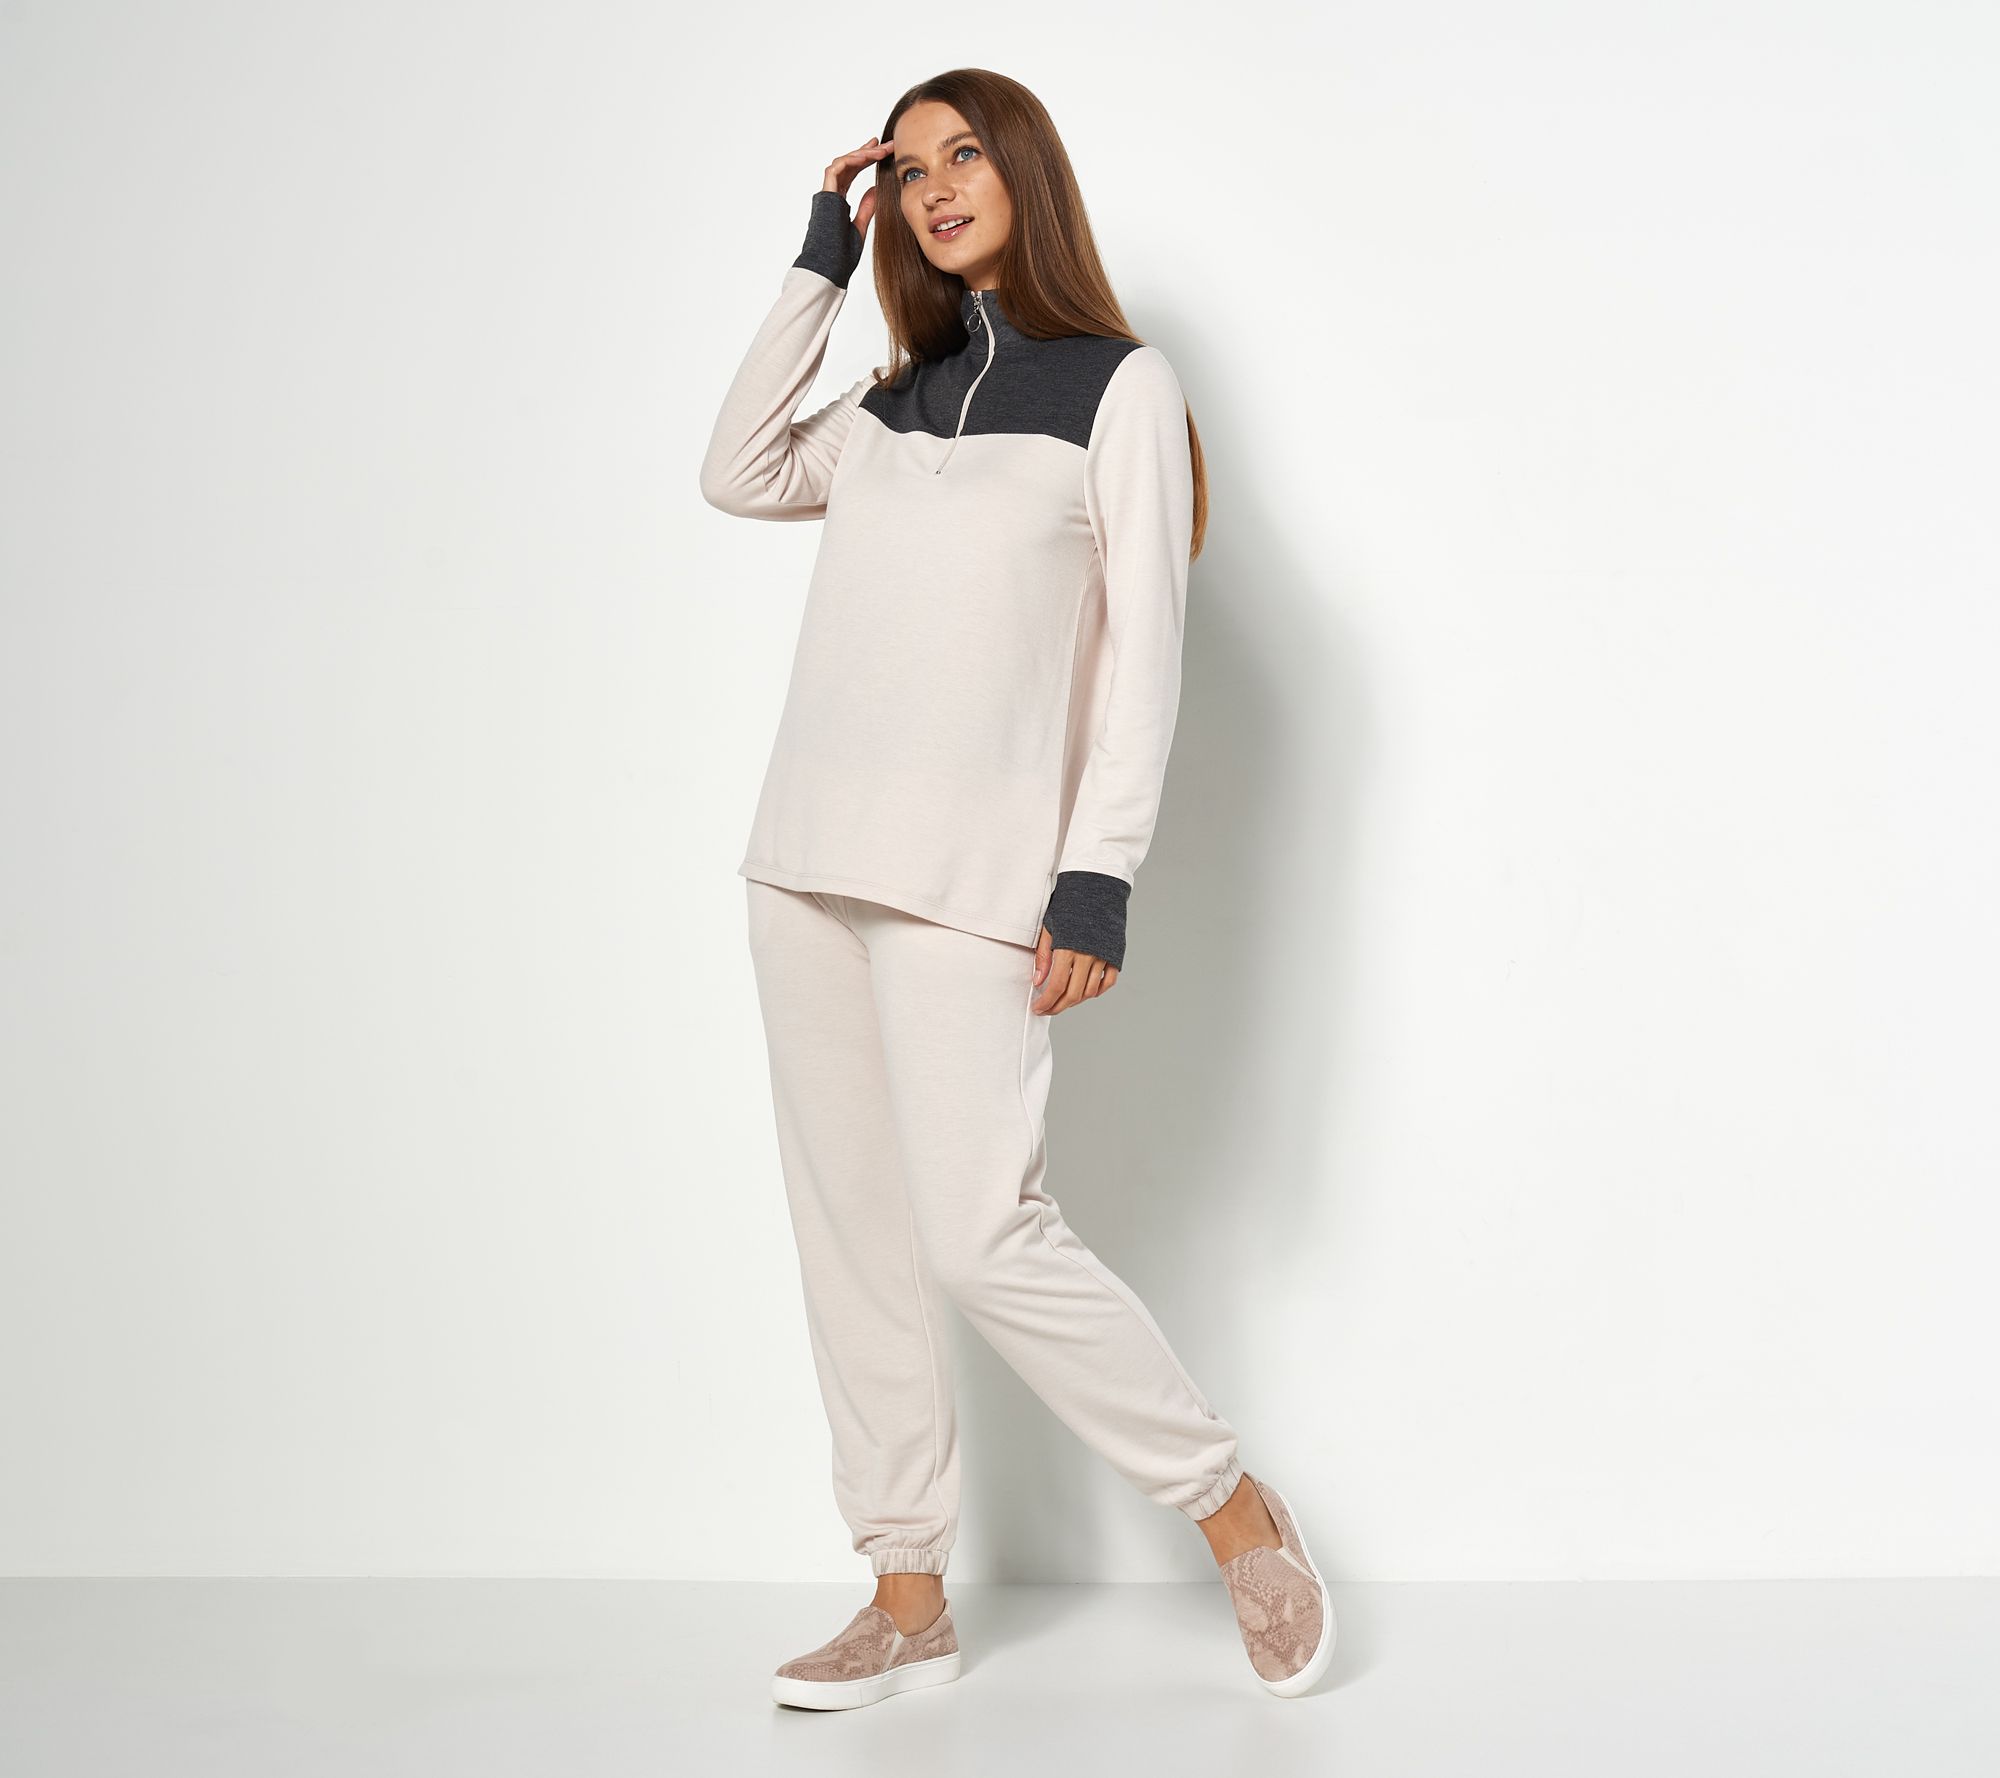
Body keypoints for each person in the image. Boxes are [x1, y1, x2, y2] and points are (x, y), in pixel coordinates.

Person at [700, 69, 1335, 1707]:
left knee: (986, 1235)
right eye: (906, 168)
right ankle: (904, 1590)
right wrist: (817, 259)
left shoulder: (1120, 387)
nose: (933, 187)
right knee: (852, 1240)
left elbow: (1149, 660)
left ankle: (1229, 1503)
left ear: (1024, 171)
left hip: (970, 878)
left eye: (962, 153)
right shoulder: (889, 401)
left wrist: (1096, 878)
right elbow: (736, 468)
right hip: (802, 862)